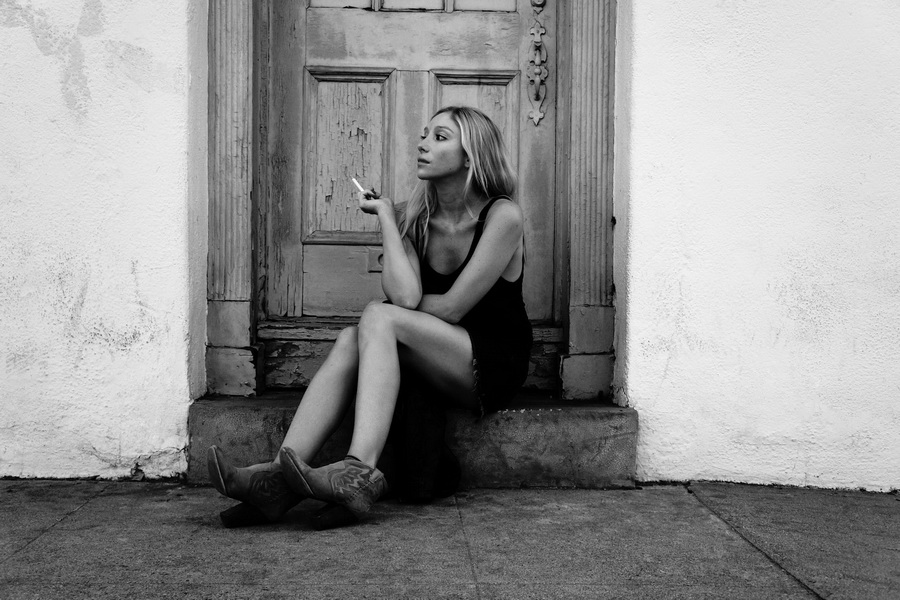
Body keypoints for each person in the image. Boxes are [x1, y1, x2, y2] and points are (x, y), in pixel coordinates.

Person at [208, 106, 532, 528]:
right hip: (433, 357)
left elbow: (452, 308)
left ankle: (358, 471)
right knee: (353, 336)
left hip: (489, 361)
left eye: (439, 137)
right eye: (424, 134)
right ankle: (275, 478)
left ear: (471, 157)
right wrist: (387, 219)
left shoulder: (502, 216)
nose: (422, 144)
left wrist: (389, 315)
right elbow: (406, 296)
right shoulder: (414, 217)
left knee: (377, 318)